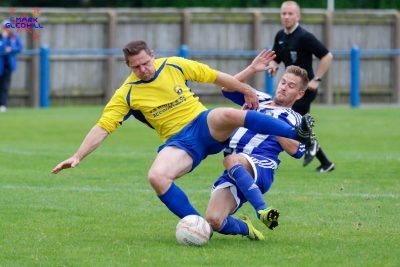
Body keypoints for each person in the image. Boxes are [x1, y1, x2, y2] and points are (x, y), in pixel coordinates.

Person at [51, 40, 314, 221]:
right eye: (136, 67)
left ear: (152, 55)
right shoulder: (126, 94)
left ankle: (296, 133)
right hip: (180, 143)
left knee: (230, 114)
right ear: (128, 66)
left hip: (204, 123)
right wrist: (78, 156)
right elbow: (103, 127)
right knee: (156, 176)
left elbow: (214, 77)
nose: (143, 69)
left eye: (146, 62)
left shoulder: (174, 64)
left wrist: (246, 89)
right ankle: (195, 224)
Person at [206, 53, 310, 241]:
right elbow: (226, 88)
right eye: (283, 82)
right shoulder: (259, 99)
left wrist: (272, 123)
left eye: (291, 86)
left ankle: (262, 209)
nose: (284, 87)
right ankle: (248, 229)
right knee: (214, 220)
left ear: (300, 94)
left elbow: (296, 151)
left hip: (261, 165)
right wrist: (252, 68)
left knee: (231, 159)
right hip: (234, 169)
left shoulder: (295, 118)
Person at [269, 1, 335, 173]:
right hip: (290, 88)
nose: (286, 17)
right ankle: (325, 163)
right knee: (299, 122)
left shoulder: (304, 36)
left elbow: (327, 56)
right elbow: (276, 57)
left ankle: (310, 145)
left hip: (304, 90)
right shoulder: (280, 36)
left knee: (288, 120)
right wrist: (273, 65)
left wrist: (317, 79)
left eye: (290, 13)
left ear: (298, 16)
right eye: (284, 13)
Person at [0, 21, 23, 112]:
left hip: (8, 65)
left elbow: (19, 48)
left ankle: (2, 105)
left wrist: (11, 49)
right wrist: (5, 39)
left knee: (5, 86)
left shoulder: (13, 37)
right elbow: (2, 50)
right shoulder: (3, 37)